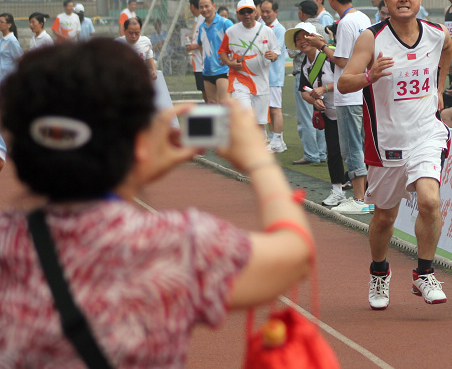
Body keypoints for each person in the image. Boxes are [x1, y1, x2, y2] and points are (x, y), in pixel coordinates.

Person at [0, 38, 313, 366]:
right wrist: (257, 159)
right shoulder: (175, 244)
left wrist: (131, 169)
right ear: (138, 140)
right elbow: (295, 253)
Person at [338, 0, 452, 310]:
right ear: (385, 0)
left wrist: (439, 89)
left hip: (425, 134)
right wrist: (368, 76)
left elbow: (447, 52)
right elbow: (344, 83)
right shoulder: (371, 39)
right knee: (385, 217)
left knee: (430, 201)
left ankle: (424, 272)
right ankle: (379, 271)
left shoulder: (437, 33)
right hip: (385, 141)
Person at [319, 0, 372, 215]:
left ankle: (360, 199)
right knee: (362, 144)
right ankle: (367, 196)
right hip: (363, 89)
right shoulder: (363, 17)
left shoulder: (345, 23)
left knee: (352, 147)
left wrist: (322, 46)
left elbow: (341, 60)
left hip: (348, 92)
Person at [288, 22, 346, 207]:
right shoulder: (305, 65)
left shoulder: (330, 56)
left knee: (355, 152)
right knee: (334, 153)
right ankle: (337, 191)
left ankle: (365, 194)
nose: (302, 41)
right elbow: (304, 90)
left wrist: (324, 88)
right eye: (297, 39)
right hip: (328, 114)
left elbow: (349, 79)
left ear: (315, 37)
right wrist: (315, 100)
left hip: (348, 109)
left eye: (305, 36)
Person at [219, 0, 280, 131]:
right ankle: (244, 145)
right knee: (244, 115)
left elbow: (276, 51)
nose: (246, 14)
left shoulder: (267, 31)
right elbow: (223, 51)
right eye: (243, 12)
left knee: (260, 122)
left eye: (249, 11)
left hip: (261, 82)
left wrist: (273, 56)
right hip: (239, 82)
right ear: (238, 15)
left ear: (255, 13)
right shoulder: (231, 31)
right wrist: (230, 64)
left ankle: (259, 146)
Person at [290, 0, 328, 165]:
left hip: (304, 74)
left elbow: (291, 52)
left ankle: (311, 154)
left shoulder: (300, 29)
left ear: (301, 12)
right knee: (322, 113)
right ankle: (321, 152)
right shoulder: (324, 28)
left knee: (306, 117)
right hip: (323, 74)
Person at [261, 0, 288, 153]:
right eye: (262, 11)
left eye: (268, 11)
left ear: (275, 12)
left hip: (273, 77)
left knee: (275, 109)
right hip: (263, 76)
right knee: (268, 109)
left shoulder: (278, 29)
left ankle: (277, 141)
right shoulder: (262, 27)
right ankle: (277, 140)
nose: (265, 14)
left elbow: (274, 53)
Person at [196, 0, 234, 104]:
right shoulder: (201, 27)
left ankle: (231, 122)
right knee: (211, 104)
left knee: (224, 103)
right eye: (201, 7)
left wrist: (229, 58)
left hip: (223, 70)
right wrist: (204, 60)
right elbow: (200, 44)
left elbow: (236, 42)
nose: (204, 9)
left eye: (206, 6)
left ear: (213, 6)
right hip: (207, 71)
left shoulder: (225, 23)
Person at [116, 16, 158, 81]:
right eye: (131, 33)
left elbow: (148, 55)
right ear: (125, 31)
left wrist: (153, 69)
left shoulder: (146, 42)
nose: (134, 36)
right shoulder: (118, 44)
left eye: (137, 33)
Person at [185, 0, 207, 103]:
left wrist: (194, 46)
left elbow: (206, 41)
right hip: (198, 64)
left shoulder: (204, 20)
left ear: (192, 6)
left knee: (208, 95)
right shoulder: (198, 20)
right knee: (205, 94)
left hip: (203, 65)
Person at [0, 13, 22, 83]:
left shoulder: (12, 41)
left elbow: (20, 59)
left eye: (1, 22)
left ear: (9, 25)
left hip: (9, 78)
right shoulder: (2, 40)